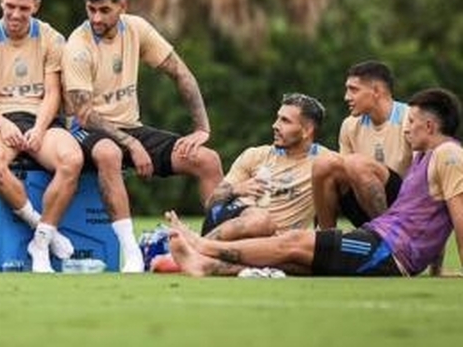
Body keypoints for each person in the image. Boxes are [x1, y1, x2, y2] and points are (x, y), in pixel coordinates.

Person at [166, 87, 463, 277]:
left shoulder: (449, 153)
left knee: (292, 243)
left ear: (430, 125)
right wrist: (435, 270)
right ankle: (207, 264)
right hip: (381, 242)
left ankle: (202, 246)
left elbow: (458, 216)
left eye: (411, 122)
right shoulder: (426, 156)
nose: (406, 128)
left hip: (387, 251)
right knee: (291, 263)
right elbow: (431, 220)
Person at [62, 0, 223, 272]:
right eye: (91, 10)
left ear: (122, 6)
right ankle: (132, 254)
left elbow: (181, 73)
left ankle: (212, 250)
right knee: (109, 153)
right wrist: (131, 143)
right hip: (85, 131)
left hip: (130, 127)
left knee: (207, 160)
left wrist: (202, 128)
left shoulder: (137, 29)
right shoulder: (77, 45)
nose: (96, 18)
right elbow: (83, 114)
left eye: (105, 10)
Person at [0, 0, 83, 273]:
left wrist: (40, 129)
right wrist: (5, 126)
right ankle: (40, 224)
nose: (16, 14)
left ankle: (41, 243)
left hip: (40, 118)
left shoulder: (51, 38)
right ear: (1, 1)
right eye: (10, 6)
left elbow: (53, 93)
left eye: (24, 8)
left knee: (72, 159)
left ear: (36, 6)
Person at [202, 93, 331, 241]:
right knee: (261, 221)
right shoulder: (255, 155)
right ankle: (199, 246)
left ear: (307, 130)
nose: (275, 125)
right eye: (278, 118)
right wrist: (236, 189)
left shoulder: (325, 163)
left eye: (285, 121)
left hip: (269, 247)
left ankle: (196, 252)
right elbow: (210, 202)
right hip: (229, 221)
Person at [312, 61, 411, 228]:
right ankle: (327, 241)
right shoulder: (349, 125)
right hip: (364, 203)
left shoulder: (411, 118)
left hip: (406, 206)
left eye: (353, 90)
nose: (346, 97)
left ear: (376, 91)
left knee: (355, 162)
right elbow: (340, 178)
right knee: (324, 163)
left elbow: (424, 177)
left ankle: (388, 236)